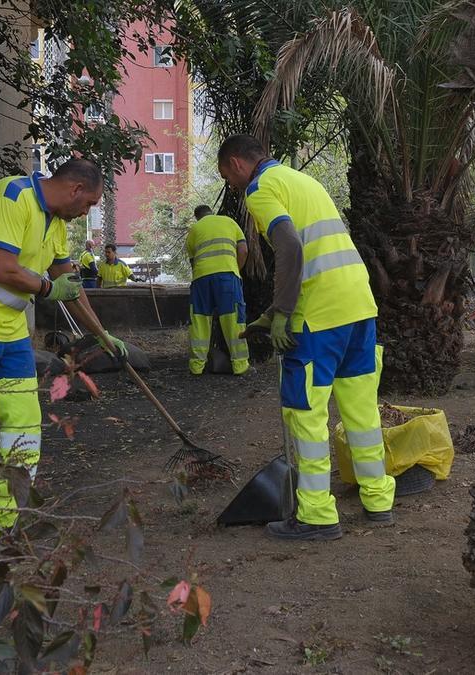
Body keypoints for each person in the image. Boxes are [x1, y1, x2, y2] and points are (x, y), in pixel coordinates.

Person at [0, 159, 129, 543]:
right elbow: (4, 269)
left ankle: (11, 518)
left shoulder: (55, 224)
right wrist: (45, 290)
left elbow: (69, 286)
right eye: (89, 204)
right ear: (75, 190)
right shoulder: (14, 196)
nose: (86, 213)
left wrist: (102, 334)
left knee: (24, 421)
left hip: (8, 328)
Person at [219, 134, 394, 541]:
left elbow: (291, 248)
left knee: (306, 414)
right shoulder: (304, 182)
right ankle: (378, 501)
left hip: (319, 316)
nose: (230, 183)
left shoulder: (261, 190)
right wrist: (270, 315)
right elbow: (318, 248)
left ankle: (316, 516)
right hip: (358, 306)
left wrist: (282, 313)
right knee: (362, 413)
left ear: (237, 164)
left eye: (227, 174)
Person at [186, 205, 249, 376]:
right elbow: (243, 250)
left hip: (201, 279)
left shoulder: (194, 230)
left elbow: (193, 262)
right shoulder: (229, 222)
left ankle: (196, 367)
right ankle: (240, 365)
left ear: (197, 217)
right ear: (211, 213)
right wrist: (236, 269)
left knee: (199, 321)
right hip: (228, 276)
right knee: (233, 320)